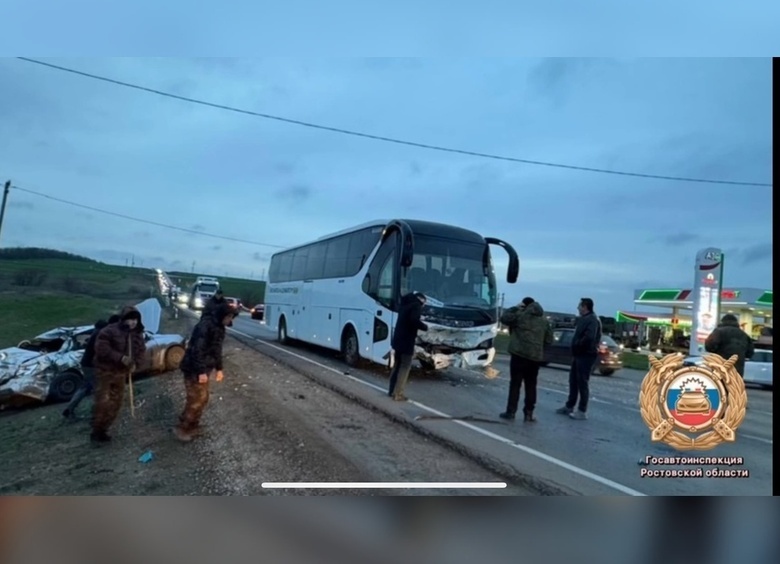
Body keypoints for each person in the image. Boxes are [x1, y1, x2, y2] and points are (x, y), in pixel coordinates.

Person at [174, 301, 237, 442]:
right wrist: (201, 371)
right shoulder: (206, 326)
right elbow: (197, 350)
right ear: (222, 315)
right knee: (196, 399)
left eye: (232, 317)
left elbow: (216, 350)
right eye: (229, 317)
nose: (230, 320)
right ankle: (183, 429)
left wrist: (219, 368)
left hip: (203, 368)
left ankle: (192, 425)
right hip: (193, 368)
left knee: (203, 398)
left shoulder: (219, 328)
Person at [90, 307, 146, 444]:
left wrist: (136, 364)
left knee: (116, 402)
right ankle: (96, 430)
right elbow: (101, 348)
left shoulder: (137, 334)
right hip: (105, 371)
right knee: (103, 401)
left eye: (135, 319)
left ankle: (104, 428)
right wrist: (120, 357)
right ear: (123, 319)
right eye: (130, 319)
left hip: (121, 373)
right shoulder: (109, 331)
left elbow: (140, 351)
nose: (132, 322)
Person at [499, 297, 553, 422]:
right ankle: (529, 413)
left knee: (515, 384)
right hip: (534, 357)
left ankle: (511, 412)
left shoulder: (520, 316)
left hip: (519, 355)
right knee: (531, 386)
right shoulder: (544, 321)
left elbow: (504, 318)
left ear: (525, 306)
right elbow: (549, 340)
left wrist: (515, 308)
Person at [62, 315, 120, 420]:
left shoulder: (99, 332)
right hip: (92, 366)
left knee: (85, 388)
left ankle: (69, 409)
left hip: (87, 364)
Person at [556, 297, 602, 420]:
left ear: (585, 306)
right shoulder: (585, 319)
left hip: (586, 354)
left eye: (580, 306)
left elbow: (589, 337)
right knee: (573, 381)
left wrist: (578, 345)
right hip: (579, 354)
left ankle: (582, 410)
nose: (578, 308)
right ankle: (569, 406)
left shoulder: (592, 320)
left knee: (582, 382)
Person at [387, 292, 429, 401]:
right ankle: (398, 394)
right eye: (424, 303)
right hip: (407, 340)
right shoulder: (416, 305)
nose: (423, 305)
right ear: (421, 299)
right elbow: (413, 320)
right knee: (405, 366)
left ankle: (391, 391)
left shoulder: (404, 304)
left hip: (397, 339)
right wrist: (424, 327)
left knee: (397, 365)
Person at [705, 313, 754, 378]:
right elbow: (750, 352)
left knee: (719, 385)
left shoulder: (718, 331)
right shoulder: (744, 335)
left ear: (722, 321)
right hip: (737, 370)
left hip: (720, 365)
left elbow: (709, 346)